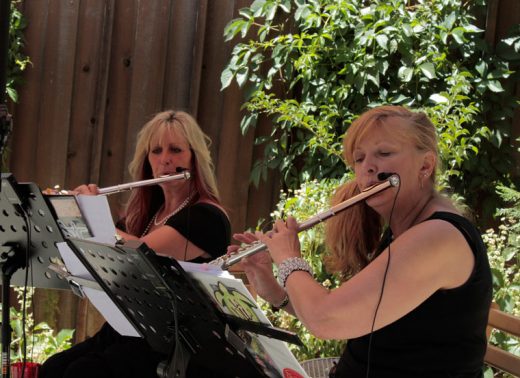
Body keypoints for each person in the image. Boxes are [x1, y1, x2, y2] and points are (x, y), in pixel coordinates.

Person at [232, 105, 492, 377]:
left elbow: (326, 319)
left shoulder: (439, 236)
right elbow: (344, 318)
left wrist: (288, 259)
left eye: (384, 153)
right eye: (358, 159)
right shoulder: (402, 231)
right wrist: (272, 289)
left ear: (425, 165)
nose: (368, 167)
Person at [40, 110, 231, 378]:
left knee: (82, 373)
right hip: (133, 327)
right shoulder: (146, 215)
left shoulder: (206, 217)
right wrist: (72, 216)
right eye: (156, 151)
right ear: (147, 160)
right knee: (53, 368)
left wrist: (93, 214)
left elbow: (140, 253)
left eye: (176, 150)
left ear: (194, 157)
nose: (165, 159)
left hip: (176, 341)